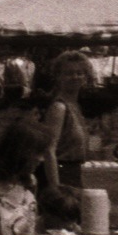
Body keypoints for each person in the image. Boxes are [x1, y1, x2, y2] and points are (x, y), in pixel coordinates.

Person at [42, 50, 94, 190]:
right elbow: (49, 150)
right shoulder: (59, 107)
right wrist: (56, 188)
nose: (75, 77)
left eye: (79, 73)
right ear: (58, 77)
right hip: (61, 173)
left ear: (86, 77)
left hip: (74, 173)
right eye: (68, 73)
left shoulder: (75, 106)